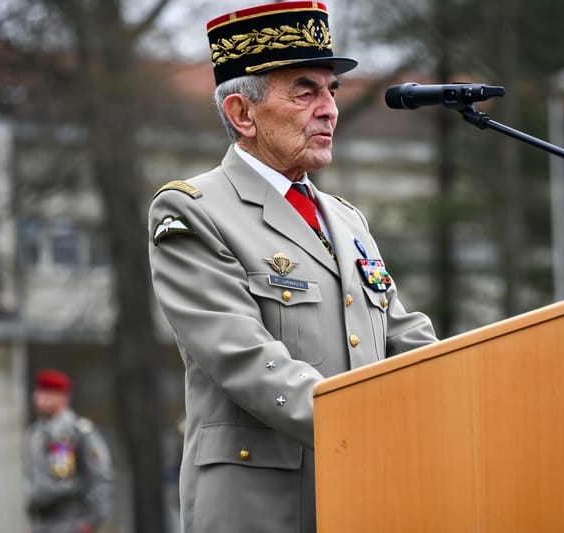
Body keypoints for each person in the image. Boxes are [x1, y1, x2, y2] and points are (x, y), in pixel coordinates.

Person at [147, 2, 438, 532]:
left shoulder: (346, 220)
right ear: (243, 113)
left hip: (364, 497)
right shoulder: (193, 210)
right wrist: (367, 425)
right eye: (306, 91)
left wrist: (467, 392)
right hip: (259, 506)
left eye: (332, 92)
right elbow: (244, 359)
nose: (329, 109)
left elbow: (403, 335)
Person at [25, 368, 113, 533]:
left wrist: (92, 521)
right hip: (40, 520)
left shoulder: (78, 432)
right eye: (38, 391)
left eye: (46, 392)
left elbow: (99, 476)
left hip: (71, 519)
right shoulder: (35, 434)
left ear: (62, 397)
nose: (39, 397)